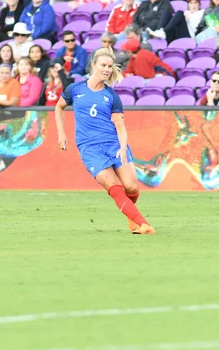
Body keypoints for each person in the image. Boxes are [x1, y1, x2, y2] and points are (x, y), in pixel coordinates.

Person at [55, 47, 156, 235]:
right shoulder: (75, 89)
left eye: (110, 66)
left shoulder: (111, 96)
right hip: (90, 149)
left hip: (113, 144)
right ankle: (143, 224)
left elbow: (120, 125)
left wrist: (123, 147)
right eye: (103, 65)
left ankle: (131, 218)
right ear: (93, 65)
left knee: (131, 186)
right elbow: (59, 107)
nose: (107, 69)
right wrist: (61, 134)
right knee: (114, 186)